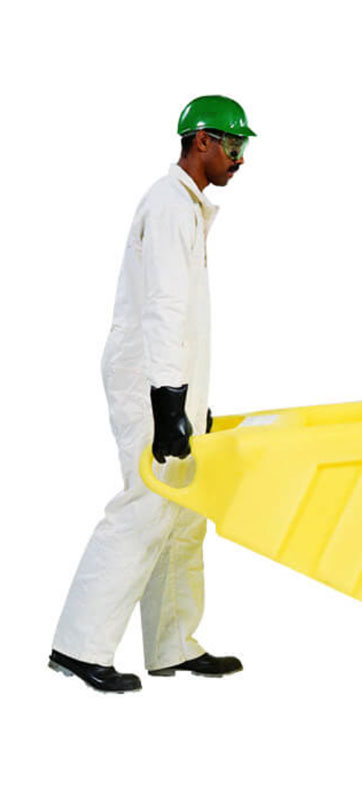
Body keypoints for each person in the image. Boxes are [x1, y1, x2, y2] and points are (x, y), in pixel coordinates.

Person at [49, 95, 257, 693]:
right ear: (201, 141)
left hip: (172, 383)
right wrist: (168, 406)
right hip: (149, 383)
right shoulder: (168, 206)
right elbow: (164, 309)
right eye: (233, 145)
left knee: (185, 511)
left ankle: (172, 645)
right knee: (146, 504)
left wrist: (192, 403)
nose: (240, 158)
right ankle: (78, 646)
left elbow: (184, 319)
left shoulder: (186, 207)